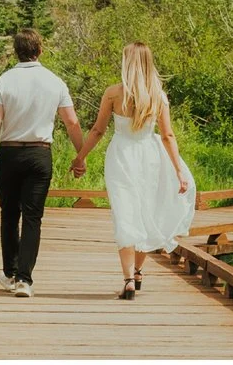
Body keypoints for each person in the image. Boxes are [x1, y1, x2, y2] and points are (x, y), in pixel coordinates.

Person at [73, 42, 196, 299]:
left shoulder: (114, 93)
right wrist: (178, 171)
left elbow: (98, 130)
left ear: (126, 63)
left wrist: (80, 158)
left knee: (125, 214)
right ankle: (139, 272)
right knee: (146, 211)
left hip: (121, 156)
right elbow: (168, 135)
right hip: (150, 156)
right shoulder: (158, 96)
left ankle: (128, 278)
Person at [0, 26, 88, 298]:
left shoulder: (2, 82)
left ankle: (9, 273)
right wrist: (80, 156)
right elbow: (72, 122)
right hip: (40, 155)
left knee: (9, 215)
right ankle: (24, 280)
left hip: (9, 153)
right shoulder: (55, 82)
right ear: (40, 50)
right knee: (32, 217)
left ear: (16, 52)